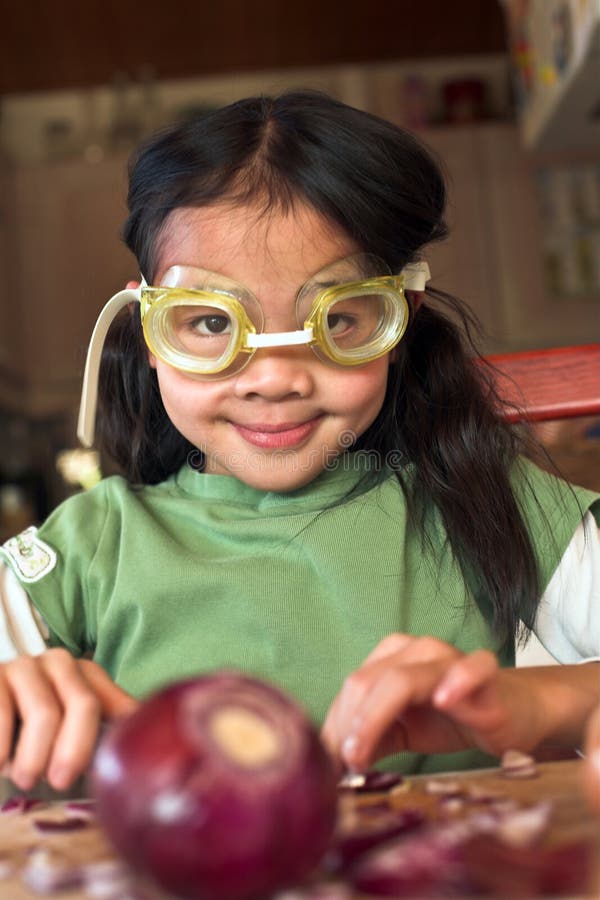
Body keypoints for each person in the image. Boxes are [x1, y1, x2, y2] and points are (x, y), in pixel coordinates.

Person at [0, 91, 598, 794]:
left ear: (398, 321)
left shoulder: (503, 508)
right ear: (150, 333)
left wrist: (539, 703)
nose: (274, 380)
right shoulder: (82, 556)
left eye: (340, 320)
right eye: (211, 324)